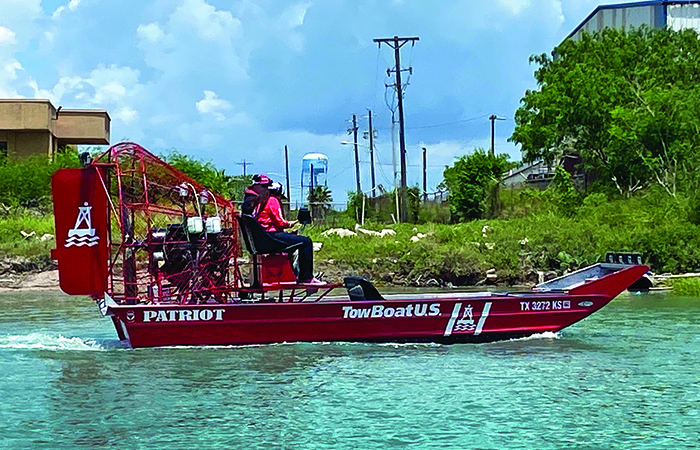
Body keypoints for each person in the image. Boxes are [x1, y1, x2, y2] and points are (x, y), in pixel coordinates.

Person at [257, 182, 321, 284]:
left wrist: (289, 233)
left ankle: (295, 273)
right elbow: (280, 222)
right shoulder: (272, 200)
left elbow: (272, 223)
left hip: (265, 235)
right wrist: (291, 224)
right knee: (306, 242)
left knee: (296, 240)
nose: (279, 198)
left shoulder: (263, 201)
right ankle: (306, 277)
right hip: (270, 237)